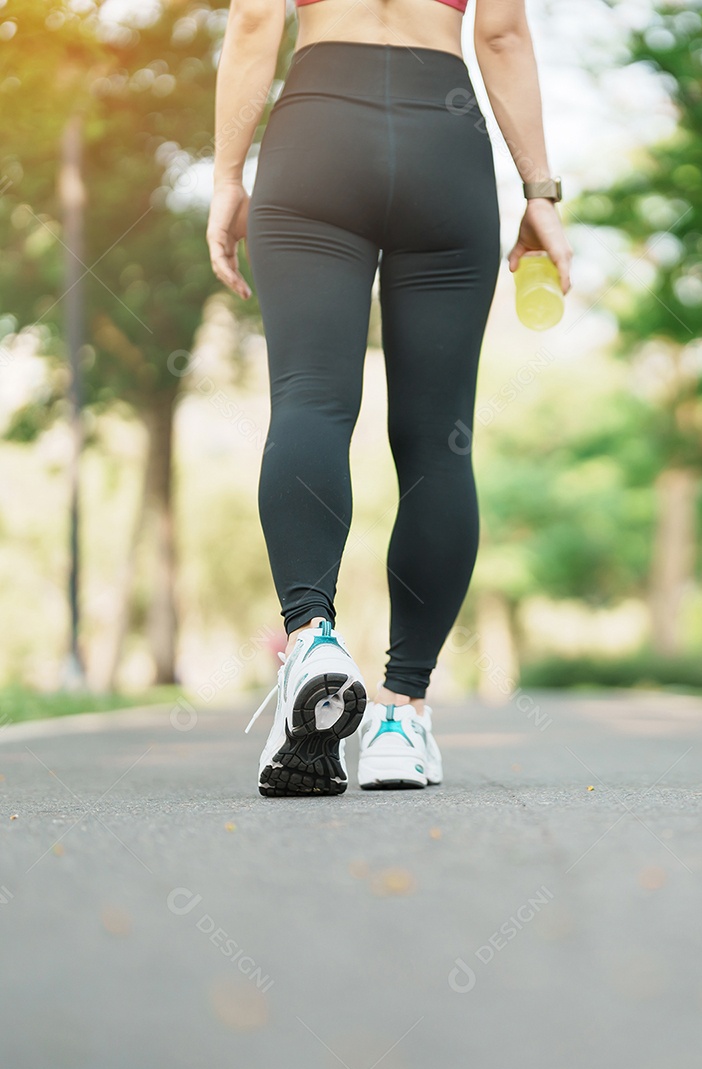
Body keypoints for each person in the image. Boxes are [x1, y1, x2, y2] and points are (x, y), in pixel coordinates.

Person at [207, 0, 573, 796]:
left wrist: (229, 178)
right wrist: (539, 189)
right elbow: (502, 34)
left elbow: (252, 25)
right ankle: (402, 715)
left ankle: (311, 637)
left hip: (315, 133)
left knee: (309, 402)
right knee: (438, 437)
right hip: (445, 136)